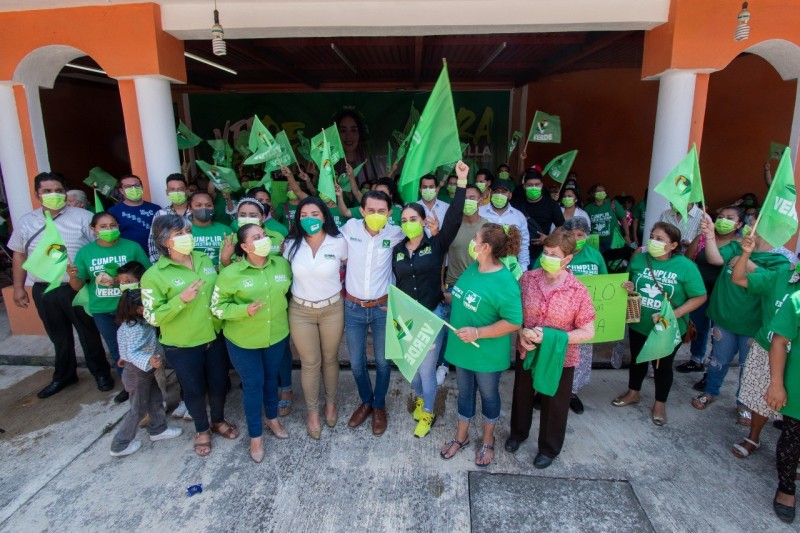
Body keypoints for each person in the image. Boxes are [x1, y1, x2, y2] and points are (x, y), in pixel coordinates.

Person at [9, 172, 113, 398]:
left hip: (75, 286)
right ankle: (64, 375)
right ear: (37, 194)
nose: (53, 195)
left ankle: (101, 373)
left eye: (58, 190)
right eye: (47, 191)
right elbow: (18, 254)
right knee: (58, 335)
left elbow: (100, 247)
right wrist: (18, 287)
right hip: (44, 288)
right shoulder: (27, 221)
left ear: (65, 192)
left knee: (88, 333)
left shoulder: (83, 217)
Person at [142, 215, 238, 457]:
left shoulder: (203, 259)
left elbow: (219, 289)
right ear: (165, 242)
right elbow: (152, 317)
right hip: (182, 344)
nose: (187, 237)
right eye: (179, 234)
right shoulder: (154, 275)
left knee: (218, 384)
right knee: (193, 390)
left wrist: (226, 263)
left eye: (187, 231)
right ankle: (201, 429)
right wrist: (179, 300)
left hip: (213, 337)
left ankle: (218, 420)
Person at [506, 230, 596, 469]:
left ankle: (548, 448)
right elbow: (515, 314)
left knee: (555, 402)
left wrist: (552, 337)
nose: (547, 257)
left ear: (567, 259)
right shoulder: (528, 280)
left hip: (560, 356)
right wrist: (519, 334)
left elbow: (588, 332)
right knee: (522, 394)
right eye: (545, 252)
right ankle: (517, 434)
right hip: (528, 349)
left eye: (553, 254)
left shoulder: (578, 291)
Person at [440, 223, 522, 467]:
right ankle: (461, 436)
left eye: (475, 239)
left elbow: (514, 321)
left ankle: (488, 440)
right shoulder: (473, 269)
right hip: (463, 347)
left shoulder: (505, 281)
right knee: (464, 393)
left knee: (488, 395)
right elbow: (461, 297)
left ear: (485, 247)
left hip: (486, 352)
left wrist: (478, 332)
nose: (471, 242)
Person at [692, 217, 789, 424]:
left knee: (747, 367)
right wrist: (709, 236)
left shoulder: (780, 262)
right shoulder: (734, 247)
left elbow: (773, 285)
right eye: (748, 223)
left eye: (754, 225)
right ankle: (710, 391)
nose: (748, 228)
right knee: (718, 361)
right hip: (724, 319)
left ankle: (742, 403)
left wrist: (748, 263)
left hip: (753, 326)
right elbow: (715, 259)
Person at [394, 161, 467, 438]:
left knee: (426, 370)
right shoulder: (398, 251)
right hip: (406, 319)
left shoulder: (435, 245)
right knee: (410, 370)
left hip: (432, 315)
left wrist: (461, 182)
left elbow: (455, 219)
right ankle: (423, 398)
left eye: (414, 219)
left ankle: (428, 412)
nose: (408, 223)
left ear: (424, 221)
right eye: (404, 220)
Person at [210, 222, 292, 463]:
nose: (264, 239)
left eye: (264, 235)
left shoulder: (282, 265)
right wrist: (245, 310)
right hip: (243, 339)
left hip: (276, 335)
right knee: (253, 383)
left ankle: (273, 418)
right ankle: (255, 436)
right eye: (257, 237)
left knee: (270, 379)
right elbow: (217, 307)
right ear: (245, 246)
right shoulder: (230, 273)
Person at [614, 222, 706, 425]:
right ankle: (633, 393)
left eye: (659, 239)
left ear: (673, 245)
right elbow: (629, 283)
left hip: (668, 328)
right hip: (639, 323)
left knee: (662, 367)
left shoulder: (685, 266)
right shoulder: (639, 259)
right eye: (652, 237)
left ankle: (660, 403)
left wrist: (675, 313)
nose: (653, 242)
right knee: (637, 361)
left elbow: (699, 296)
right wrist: (628, 287)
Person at [730, 232, 800, 459]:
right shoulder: (781, 276)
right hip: (766, 348)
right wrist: (746, 253)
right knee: (761, 399)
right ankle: (753, 437)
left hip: (796, 358)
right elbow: (739, 278)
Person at [341, 190, 405, 435]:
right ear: (362, 211)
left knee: (382, 362)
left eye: (381, 211)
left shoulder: (396, 233)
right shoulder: (351, 228)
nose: (375, 215)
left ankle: (379, 405)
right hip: (353, 307)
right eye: (370, 211)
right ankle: (366, 401)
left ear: (389, 213)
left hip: (382, 307)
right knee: (356, 364)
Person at [68, 212, 151, 402]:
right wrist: (73, 275)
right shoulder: (86, 252)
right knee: (118, 350)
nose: (109, 230)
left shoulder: (132, 247)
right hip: (103, 309)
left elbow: (147, 274)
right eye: (103, 226)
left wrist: (121, 280)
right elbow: (77, 285)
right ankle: (130, 387)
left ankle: (149, 383)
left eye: (112, 225)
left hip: (132, 307)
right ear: (93, 229)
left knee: (142, 346)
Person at [283, 197, 347, 439]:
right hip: (300, 311)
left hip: (332, 308)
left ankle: (330, 404)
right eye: (304, 215)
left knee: (330, 359)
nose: (310, 219)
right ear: (298, 219)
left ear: (324, 216)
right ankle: (312, 413)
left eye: (315, 213)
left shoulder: (339, 242)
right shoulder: (290, 244)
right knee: (310, 363)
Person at [533, 217, 606, 414]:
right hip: (553, 317)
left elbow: (607, 282)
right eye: (571, 234)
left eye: (580, 235)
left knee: (577, 359)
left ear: (587, 236)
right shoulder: (552, 255)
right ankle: (540, 392)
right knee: (546, 355)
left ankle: (571, 394)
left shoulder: (595, 256)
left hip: (581, 318)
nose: (575, 238)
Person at [109, 289, 183, 457]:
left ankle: (158, 429)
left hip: (144, 370)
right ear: (138, 309)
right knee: (138, 409)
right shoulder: (134, 328)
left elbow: (125, 346)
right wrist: (147, 360)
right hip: (138, 372)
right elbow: (134, 352)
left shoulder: (134, 323)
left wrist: (124, 357)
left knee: (155, 398)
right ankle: (120, 444)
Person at [678, 207, 744, 378]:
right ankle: (696, 359)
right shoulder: (701, 239)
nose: (723, 220)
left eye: (730, 217)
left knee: (719, 334)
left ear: (739, 224)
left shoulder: (741, 246)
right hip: (700, 293)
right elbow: (687, 262)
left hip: (724, 296)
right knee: (697, 326)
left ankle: (713, 370)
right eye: (720, 216)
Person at [765, 292, 800, 524]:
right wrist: (776, 384)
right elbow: (779, 340)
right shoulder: (797, 299)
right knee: (792, 437)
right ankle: (786, 489)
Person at [512, 168, 565, 262]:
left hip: (541, 254)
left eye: (537, 185)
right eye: (530, 185)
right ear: (524, 186)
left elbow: (561, 226)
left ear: (541, 185)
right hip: (516, 254)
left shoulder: (551, 204)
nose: (533, 187)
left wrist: (549, 238)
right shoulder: (515, 204)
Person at [477, 179, 530, 270]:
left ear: (510, 195)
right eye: (496, 191)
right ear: (491, 193)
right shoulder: (480, 212)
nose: (499, 195)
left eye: (504, 192)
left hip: (509, 268)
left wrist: (523, 268)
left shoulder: (518, 217)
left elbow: (523, 245)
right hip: (481, 265)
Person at [108, 174, 160, 254]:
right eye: (128, 186)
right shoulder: (113, 211)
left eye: (136, 185)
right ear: (121, 190)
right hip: (128, 255)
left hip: (155, 254)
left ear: (142, 187)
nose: (133, 189)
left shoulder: (156, 209)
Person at [147, 174, 190, 262]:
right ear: (167, 192)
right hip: (168, 263)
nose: (176, 192)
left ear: (187, 191)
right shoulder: (161, 214)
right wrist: (157, 263)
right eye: (172, 190)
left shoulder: (195, 212)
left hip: (194, 261)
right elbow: (153, 242)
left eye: (180, 189)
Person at [187, 191, 232, 268]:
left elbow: (234, 260)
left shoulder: (226, 230)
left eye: (208, 205)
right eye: (198, 205)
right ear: (190, 208)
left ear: (213, 207)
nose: (204, 208)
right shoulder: (184, 231)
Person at [584, 184, 631, 251]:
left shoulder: (612, 203)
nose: (602, 192)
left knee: (613, 260)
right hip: (595, 241)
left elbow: (623, 218)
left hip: (613, 240)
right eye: (599, 191)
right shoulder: (587, 208)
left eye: (603, 191)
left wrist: (627, 235)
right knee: (597, 260)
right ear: (593, 194)